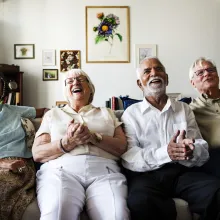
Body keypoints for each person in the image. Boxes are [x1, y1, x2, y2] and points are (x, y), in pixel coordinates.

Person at [120, 57, 220, 220]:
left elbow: (202, 146)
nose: (154, 73)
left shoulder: (184, 109)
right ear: (140, 83)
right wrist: (166, 152)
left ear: (166, 78)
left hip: (183, 173)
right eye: (147, 71)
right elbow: (129, 157)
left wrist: (191, 150)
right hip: (147, 176)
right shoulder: (131, 114)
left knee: (215, 190)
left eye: (159, 69)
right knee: (140, 201)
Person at [32, 69, 130, 220]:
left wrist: (93, 137)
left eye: (81, 79)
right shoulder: (52, 114)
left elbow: (122, 147)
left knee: (117, 215)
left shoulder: (107, 112)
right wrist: (67, 143)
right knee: (57, 211)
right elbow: (38, 153)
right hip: (60, 171)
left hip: (104, 172)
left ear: (90, 88)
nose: (75, 83)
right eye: (69, 81)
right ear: (65, 91)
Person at [0, 72, 46, 220]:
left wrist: (47, 126)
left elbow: (45, 110)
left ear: (2, 92)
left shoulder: (13, 110)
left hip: (19, 164)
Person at [189, 57, 220, 178]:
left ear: (217, 75)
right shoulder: (190, 110)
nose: (207, 73)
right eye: (200, 73)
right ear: (193, 83)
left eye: (210, 70)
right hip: (215, 156)